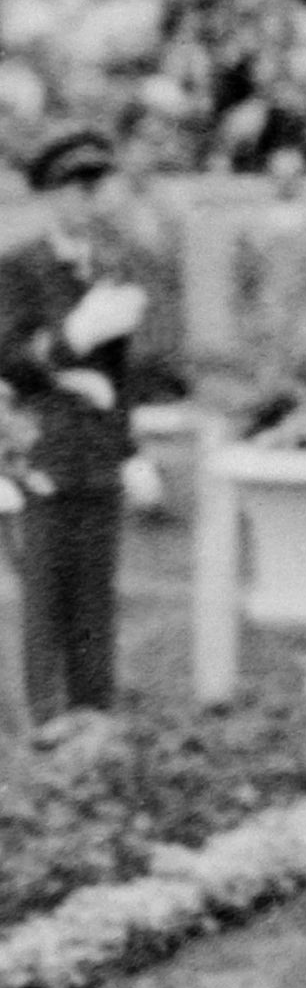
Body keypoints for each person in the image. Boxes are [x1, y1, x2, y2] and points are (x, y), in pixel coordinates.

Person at [0, 129, 153, 724]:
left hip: (96, 452)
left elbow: (121, 377)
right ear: (50, 196)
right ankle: (49, 722)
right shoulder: (19, 268)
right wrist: (72, 339)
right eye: (76, 189)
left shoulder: (108, 266)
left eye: (97, 189)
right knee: (47, 596)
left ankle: (95, 720)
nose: (89, 201)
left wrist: (129, 449)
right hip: (44, 451)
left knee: (95, 597)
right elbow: (8, 359)